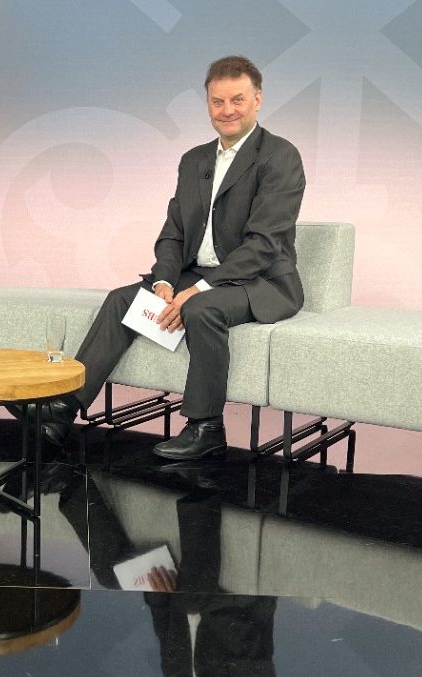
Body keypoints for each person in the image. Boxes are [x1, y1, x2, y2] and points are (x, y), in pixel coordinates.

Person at [30, 55, 306, 461]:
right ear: (208, 104)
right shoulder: (194, 160)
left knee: (201, 309)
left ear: (257, 99)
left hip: (263, 282)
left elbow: (263, 244)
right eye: (217, 101)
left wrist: (198, 289)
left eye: (238, 99)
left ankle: (206, 428)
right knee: (121, 300)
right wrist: (163, 281)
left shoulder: (280, 156)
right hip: (201, 274)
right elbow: (174, 232)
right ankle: (60, 411)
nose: (227, 110)